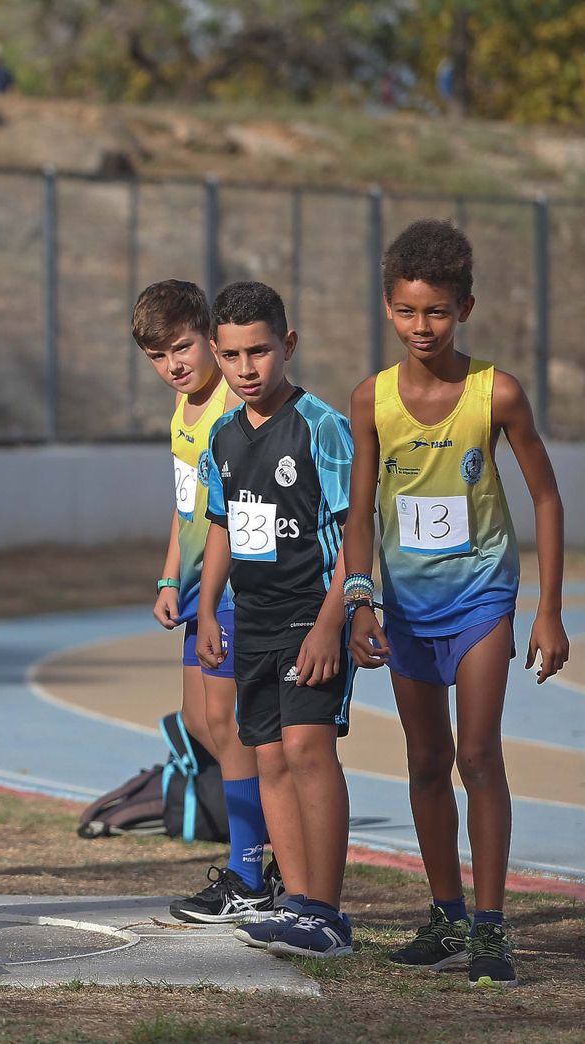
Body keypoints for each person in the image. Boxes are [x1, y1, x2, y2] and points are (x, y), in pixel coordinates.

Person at [344, 220, 568, 987]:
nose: (421, 327)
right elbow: (360, 510)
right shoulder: (370, 398)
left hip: (481, 598)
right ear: (387, 308)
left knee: (477, 755)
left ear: (464, 307)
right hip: (404, 606)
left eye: (436, 312)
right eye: (407, 311)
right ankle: (444, 915)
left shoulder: (496, 392)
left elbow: (545, 496)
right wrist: (359, 599)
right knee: (426, 760)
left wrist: (547, 610)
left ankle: (493, 929)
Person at [196, 281, 357, 959]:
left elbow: (356, 532)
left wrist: (331, 623)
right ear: (216, 353)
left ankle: (326, 909)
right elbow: (223, 528)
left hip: (310, 615)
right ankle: (295, 902)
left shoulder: (322, 426)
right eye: (231, 355)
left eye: (258, 351)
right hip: (252, 620)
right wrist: (207, 609)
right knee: (267, 758)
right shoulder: (223, 436)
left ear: (286, 345)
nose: (245, 368)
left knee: (307, 750)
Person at [131, 280, 274, 924]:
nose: (174, 366)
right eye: (158, 357)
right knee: (201, 723)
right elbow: (184, 505)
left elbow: (235, 511)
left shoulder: (228, 403)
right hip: (194, 592)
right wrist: (170, 581)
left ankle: (253, 869)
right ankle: (259, 854)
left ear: (212, 340)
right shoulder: (181, 414)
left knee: (232, 724)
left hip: (235, 589)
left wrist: (218, 594)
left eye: (184, 347)